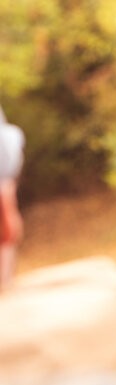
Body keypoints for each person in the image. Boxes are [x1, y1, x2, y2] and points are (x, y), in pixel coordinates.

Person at [0, 106, 24, 288]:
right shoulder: (12, 135)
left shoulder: (11, 135)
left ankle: (5, 279)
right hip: (6, 183)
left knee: (8, 232)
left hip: (5, 183)